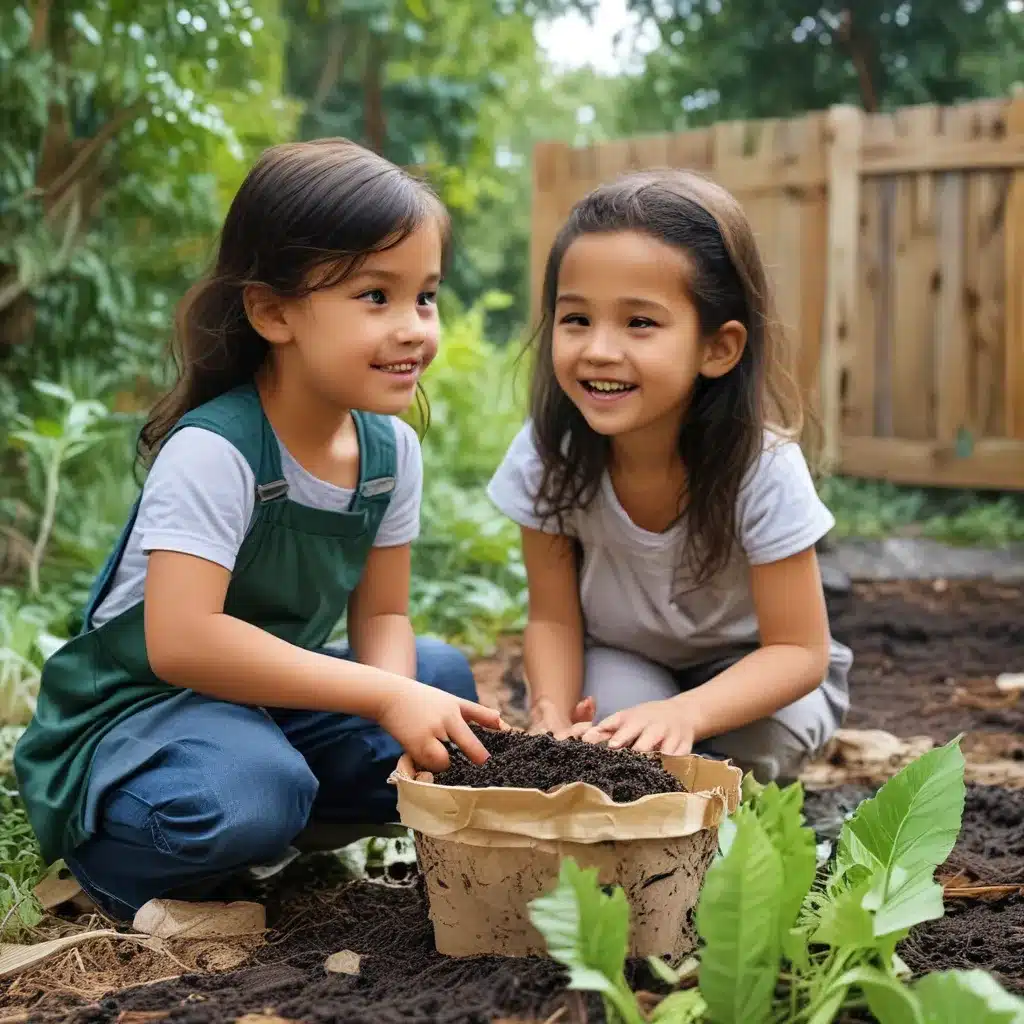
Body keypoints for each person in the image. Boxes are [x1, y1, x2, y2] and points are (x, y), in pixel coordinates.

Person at [15, 138, 502, 921]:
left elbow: (383, 615)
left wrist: (401, 699)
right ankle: (119, 851)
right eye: (376, 296)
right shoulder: (216, 451)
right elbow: (183, 642)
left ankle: (281, 815)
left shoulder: (389, 452)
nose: (414, 327)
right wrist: (381, 696)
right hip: (144, 709)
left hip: (262, 701)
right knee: (256, 788)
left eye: (425, 296)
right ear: (273, 311)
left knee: (441, 684)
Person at [488, 169, 852, 784]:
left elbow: (798, 651)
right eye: (576, 319)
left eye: (640, 323)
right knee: (613, 746)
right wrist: (549, 711)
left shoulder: (762, 468)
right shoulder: (550, 453)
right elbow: (553, 618)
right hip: (624, 658)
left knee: (734, 759)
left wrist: (686, 711)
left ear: (718, 348)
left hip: (753, 669)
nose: (599, 349)